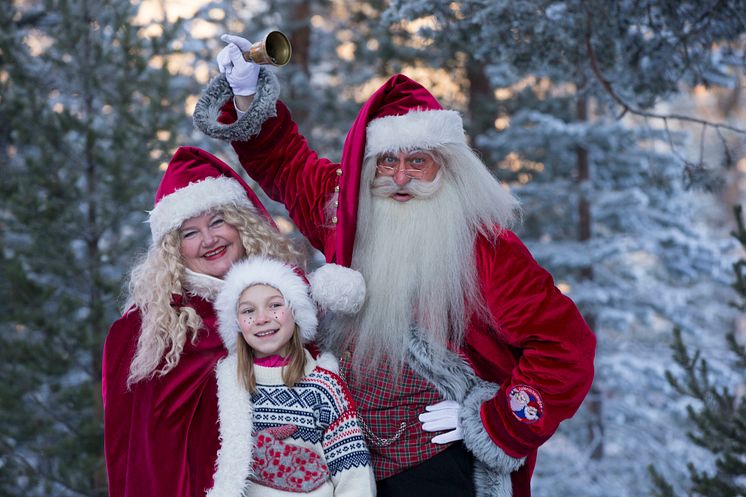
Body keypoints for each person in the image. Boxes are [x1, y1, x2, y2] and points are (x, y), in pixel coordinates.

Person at [192, 35, 597, 497]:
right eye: (387, 161)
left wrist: (494, 421)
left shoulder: (485, 246)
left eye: (417, 162)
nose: (400, 177)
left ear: (445, 166)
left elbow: (565, 347)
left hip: (438, 466)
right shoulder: (344, 209)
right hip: (348, 462)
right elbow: (285, 162)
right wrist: (246, 92)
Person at [102, 146, 303, 497]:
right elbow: (128, 445)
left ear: (242, 226)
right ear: (173, 249)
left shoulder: (288, 299)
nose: (209, 240)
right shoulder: (146, 327)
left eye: (217, 221)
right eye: (189, 233)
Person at [207, 256, 375, 497]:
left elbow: (352, 469)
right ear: (237, 324)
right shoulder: (229, 387)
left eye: (275, 305)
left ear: (296, 313)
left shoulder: (323, 385)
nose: (262, 318)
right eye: (248, 311)